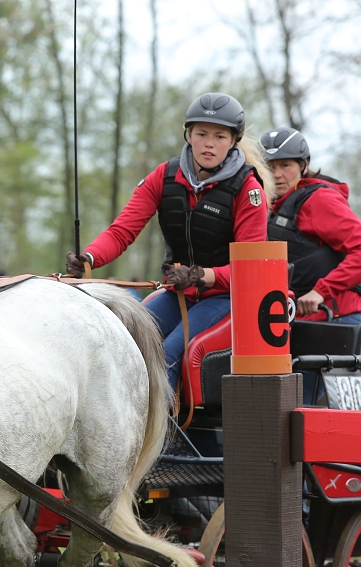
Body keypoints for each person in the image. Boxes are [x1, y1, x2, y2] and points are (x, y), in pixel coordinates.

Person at [66, 92, 273, 391]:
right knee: (124, 341)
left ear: (233, 141)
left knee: (168, 354)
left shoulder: (248, 189)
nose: (209, 143)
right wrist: (89, 258)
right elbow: (122, 231)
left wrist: (203, 275)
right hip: (178, 293)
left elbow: (251, 270)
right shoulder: (164, 176)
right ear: (189, 135)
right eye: (201, 134)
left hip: (225, 298)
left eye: (219, 136)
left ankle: (165, 436)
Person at [261, 127, 361, 403]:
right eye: (269, 166)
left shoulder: (318, 200)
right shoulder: (269, 206)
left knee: (305, 414)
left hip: (337, 322)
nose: (277, 174)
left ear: (303, 166)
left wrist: (321, 291)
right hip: (300, 324)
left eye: (285, 165)